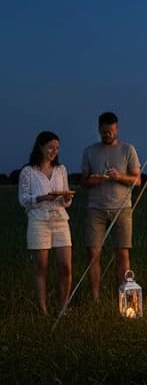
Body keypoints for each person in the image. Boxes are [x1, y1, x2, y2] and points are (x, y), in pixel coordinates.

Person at [81, 112, 141, 300]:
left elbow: (137, 180)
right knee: (93, 253)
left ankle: (124, 297)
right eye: (105, 131)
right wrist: (95, 179)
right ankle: (95, 298)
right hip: (96, 208)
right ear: (99, 129)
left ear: (117, 129)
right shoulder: (90, 151)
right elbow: (83, 181)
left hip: (122, 209)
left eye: (111, 131)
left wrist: (119, 176)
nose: (108, 134)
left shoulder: (127, 149)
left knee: (122, 253)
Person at [18, 131, 74, 314]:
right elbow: (23, 199)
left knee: (65, 267)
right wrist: (43, 197)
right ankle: (43, 310)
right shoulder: (28, 172)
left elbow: (66, 199)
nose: (54, 152)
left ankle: (63, 306)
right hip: (39, 221)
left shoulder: (61, 170)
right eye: (50, 148)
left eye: (57, 148)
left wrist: (66, 198)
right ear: (40, 147)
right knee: (41, 267)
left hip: (60, 220)